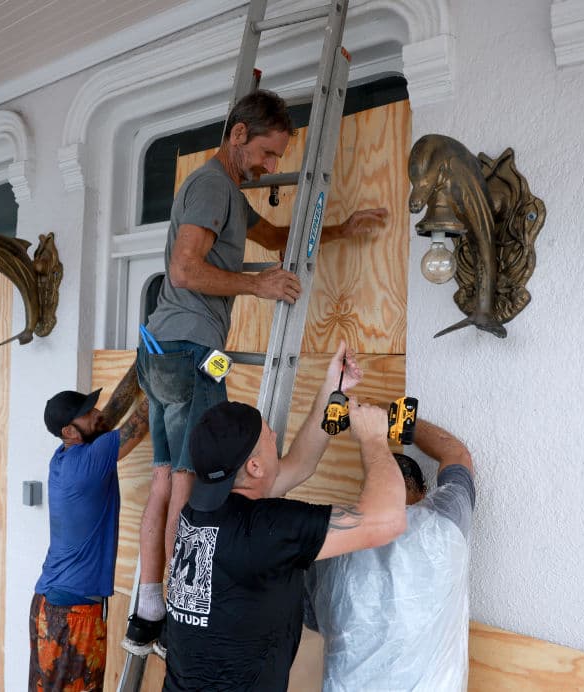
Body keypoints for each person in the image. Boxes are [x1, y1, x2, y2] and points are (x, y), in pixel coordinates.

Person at [125, 87, 389, 654]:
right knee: (190, 487)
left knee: (165, 480)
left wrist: (342, 229)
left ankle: (147, 612)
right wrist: (257, 285)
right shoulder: (211, 185)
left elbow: (274, 238)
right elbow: (185, 270)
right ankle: (177, 614)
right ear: (239, 134)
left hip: (162, 352)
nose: (271, 168)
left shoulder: (226, 193)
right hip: (192, 351)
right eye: (268, 153)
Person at [162, 342, 406, 691]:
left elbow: (300, 464)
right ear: (254, 467)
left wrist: (332, 388)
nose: (275, 435)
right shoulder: (266, 529)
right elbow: (387, 520)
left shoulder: (201, 508)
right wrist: (374, 439)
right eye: (269, 435)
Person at [303, 417, 476, 691]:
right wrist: (391, 417)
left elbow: (313, 617)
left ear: (367, 492)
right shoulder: (446, 525)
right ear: (423, 491)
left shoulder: (338, 544)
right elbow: (456, 453)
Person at [28, 365, 150, 692]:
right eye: (87, 412)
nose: (97, 413)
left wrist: (141, 365)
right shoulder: (90, 461)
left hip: (53, 605)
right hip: (73, 614)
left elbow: (111, 412)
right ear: (69, 430)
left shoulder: (66, 455)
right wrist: (174, 367)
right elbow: (142, 421)